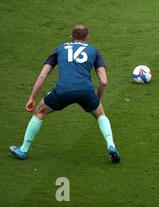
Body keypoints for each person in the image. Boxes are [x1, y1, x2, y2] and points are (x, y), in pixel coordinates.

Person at [10, 24, 120, 163]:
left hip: (63, 90)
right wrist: (96, 100)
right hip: (86, 91)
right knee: (100, 115)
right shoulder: (94, 51)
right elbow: (103, 81)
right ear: (87, 38)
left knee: (39, 112)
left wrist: (32, 97)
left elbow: (43, 75)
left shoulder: (60, 49)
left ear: (71, 37)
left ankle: (23, 150)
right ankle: (111, 145)